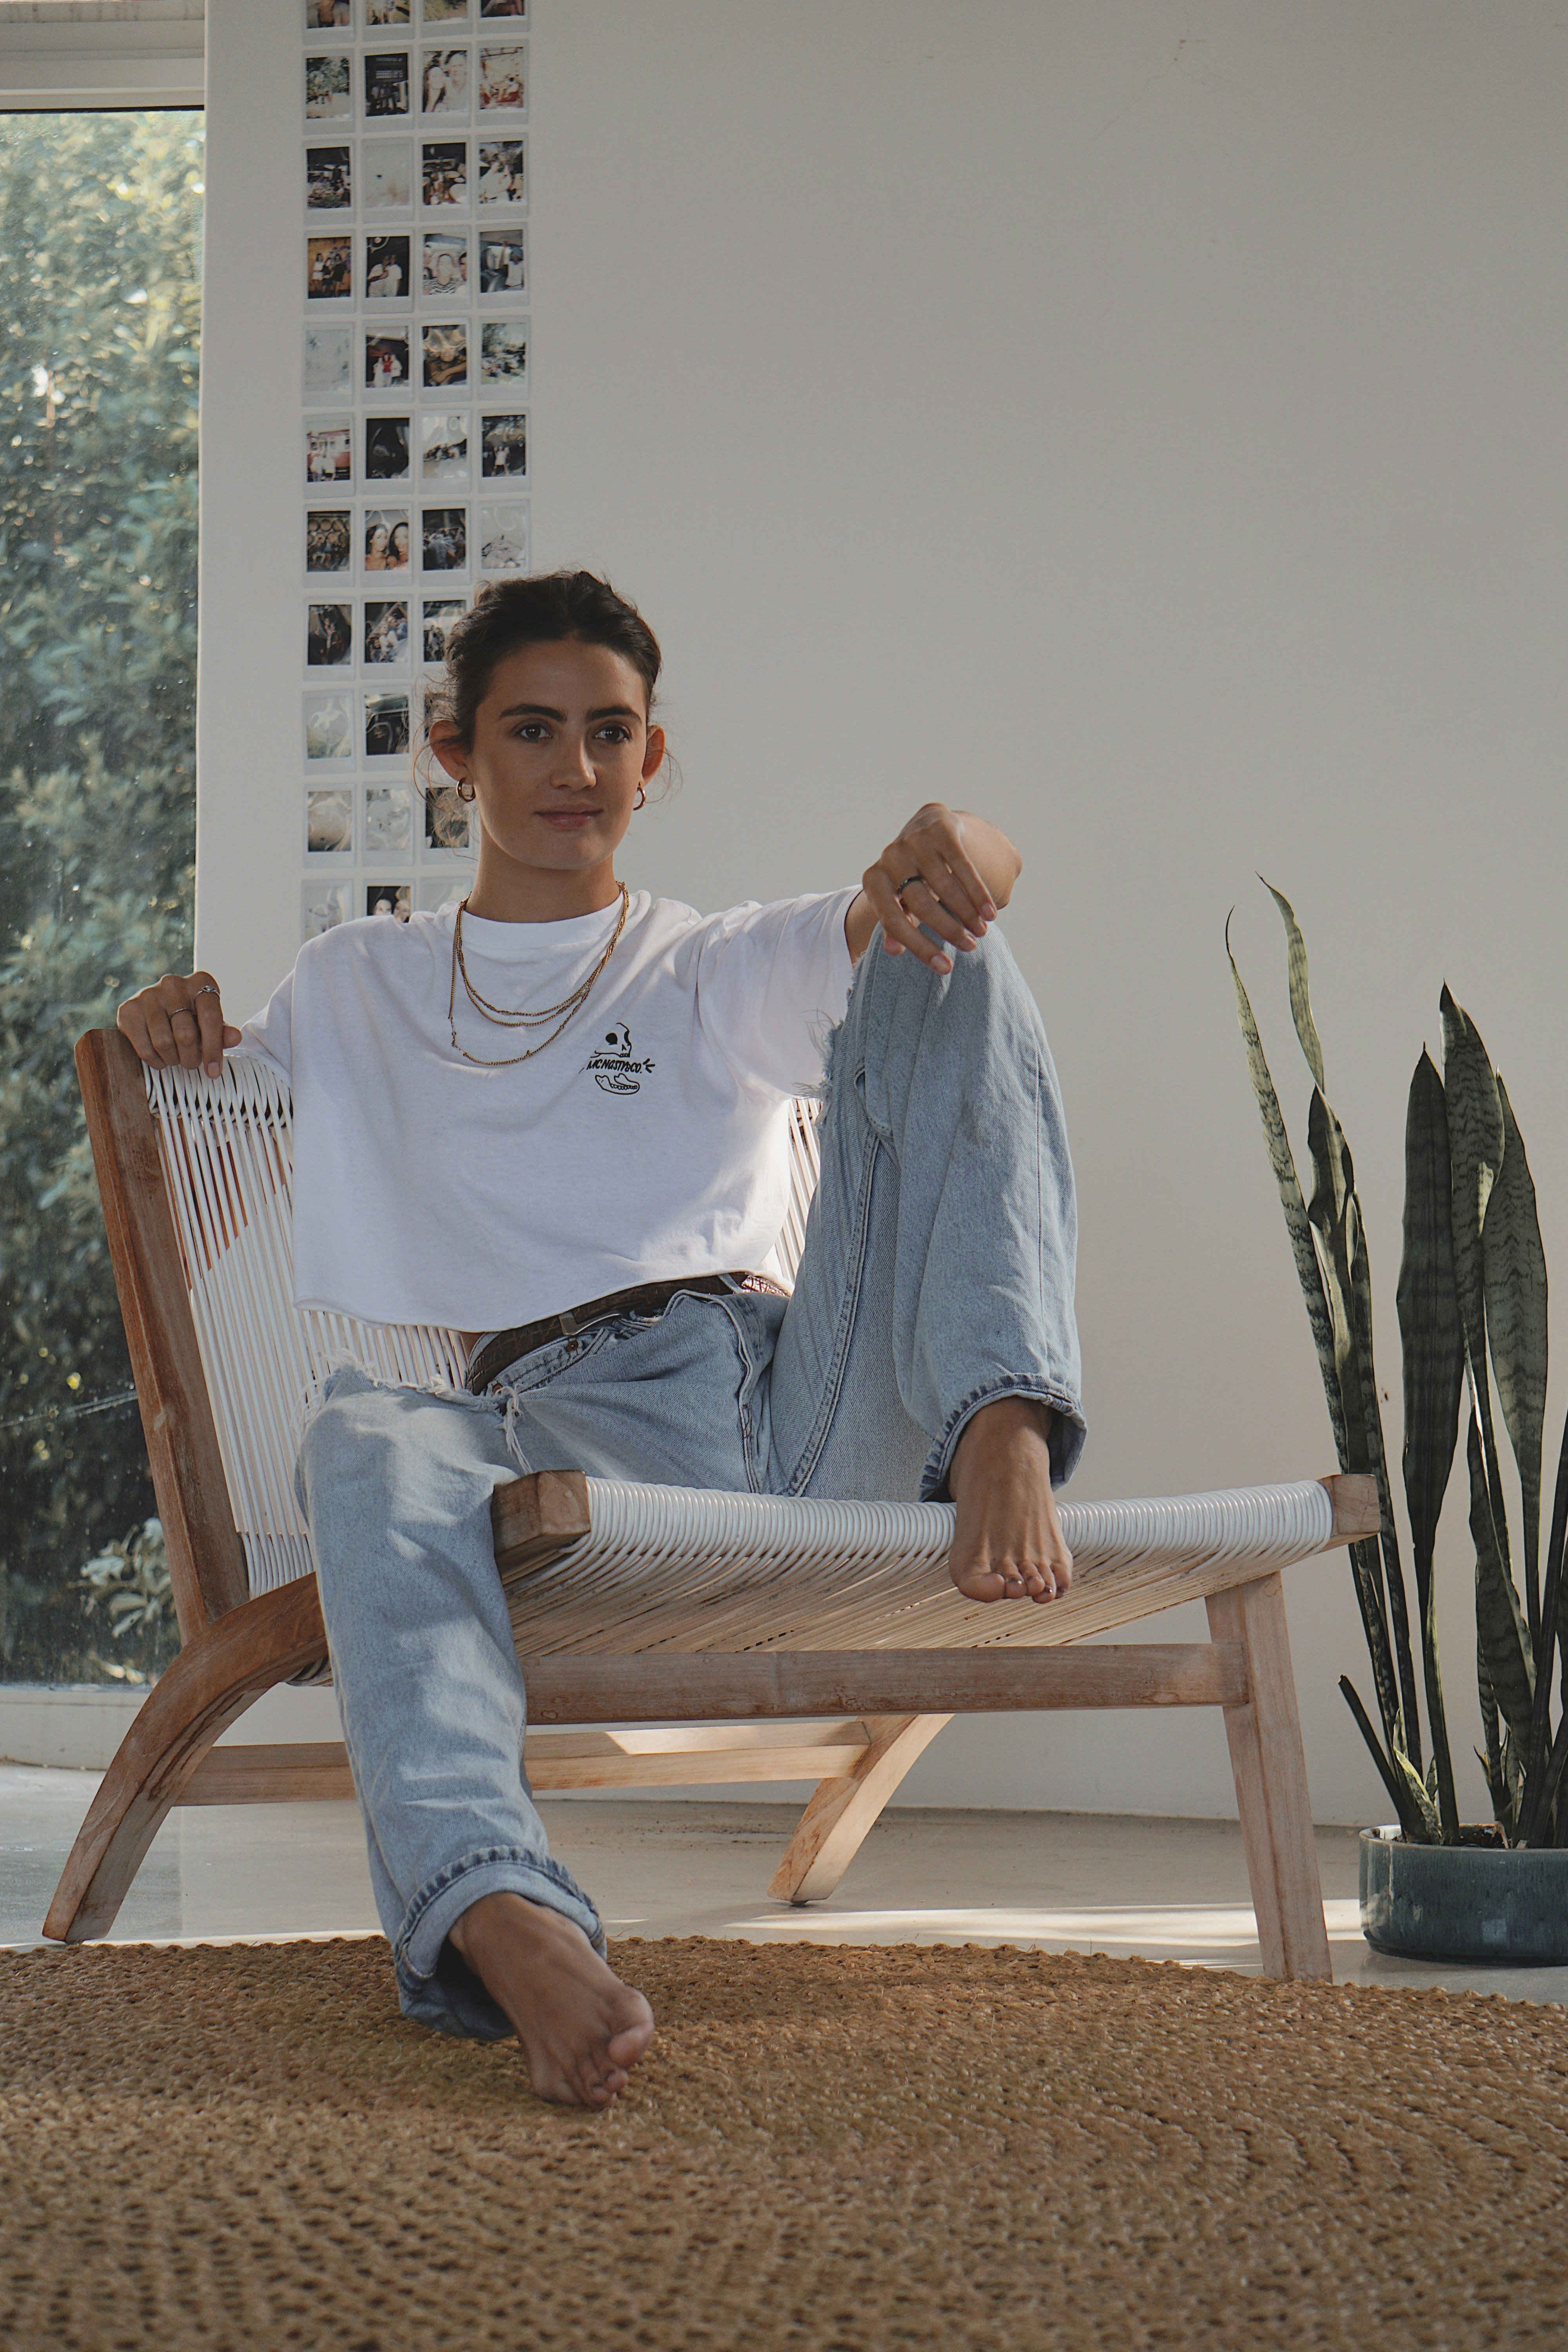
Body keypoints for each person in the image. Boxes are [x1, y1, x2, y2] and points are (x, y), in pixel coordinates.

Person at [117, 570, 1083, 2114]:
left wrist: (952, 847)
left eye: (611, 735)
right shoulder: (357, 983)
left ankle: (1006, 1418)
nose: (577, 770)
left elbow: (976, 881)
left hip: (814, 1386)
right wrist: (169, 1021)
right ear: (457, 756)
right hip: (559, 1423)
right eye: (533, 731)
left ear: (650, 757)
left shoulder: (702, 963)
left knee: (950, 945)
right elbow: (199, 1154)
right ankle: (496, 1907)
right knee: (364, 1432)